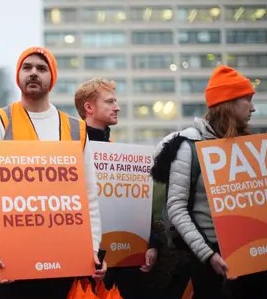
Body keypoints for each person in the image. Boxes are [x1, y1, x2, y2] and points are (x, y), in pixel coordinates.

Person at [0, 46, 107, 299]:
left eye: (41, 68)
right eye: (27, 67)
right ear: (18, 75)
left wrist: (92, 249)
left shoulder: (76, 129)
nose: (33, 73)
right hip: (12, 258)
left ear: (52, 78)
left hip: (63, 259)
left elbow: (89, 196)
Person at [157, 65, 267, 299]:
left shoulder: (250, 147)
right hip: (210, 261)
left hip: (253, 257)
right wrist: (208, 254)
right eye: (247, 100)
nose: (253, 108)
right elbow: (176, 208)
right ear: (229, 103)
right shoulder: (189, 146)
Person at [74, 78, 160, 298]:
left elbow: (134, 204)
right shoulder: (72, 151)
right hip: (87, 265)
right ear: (89, 107)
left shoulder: (115, 151)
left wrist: (149, 244)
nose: (117, 107)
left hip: (124, 262)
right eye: (110, 101)